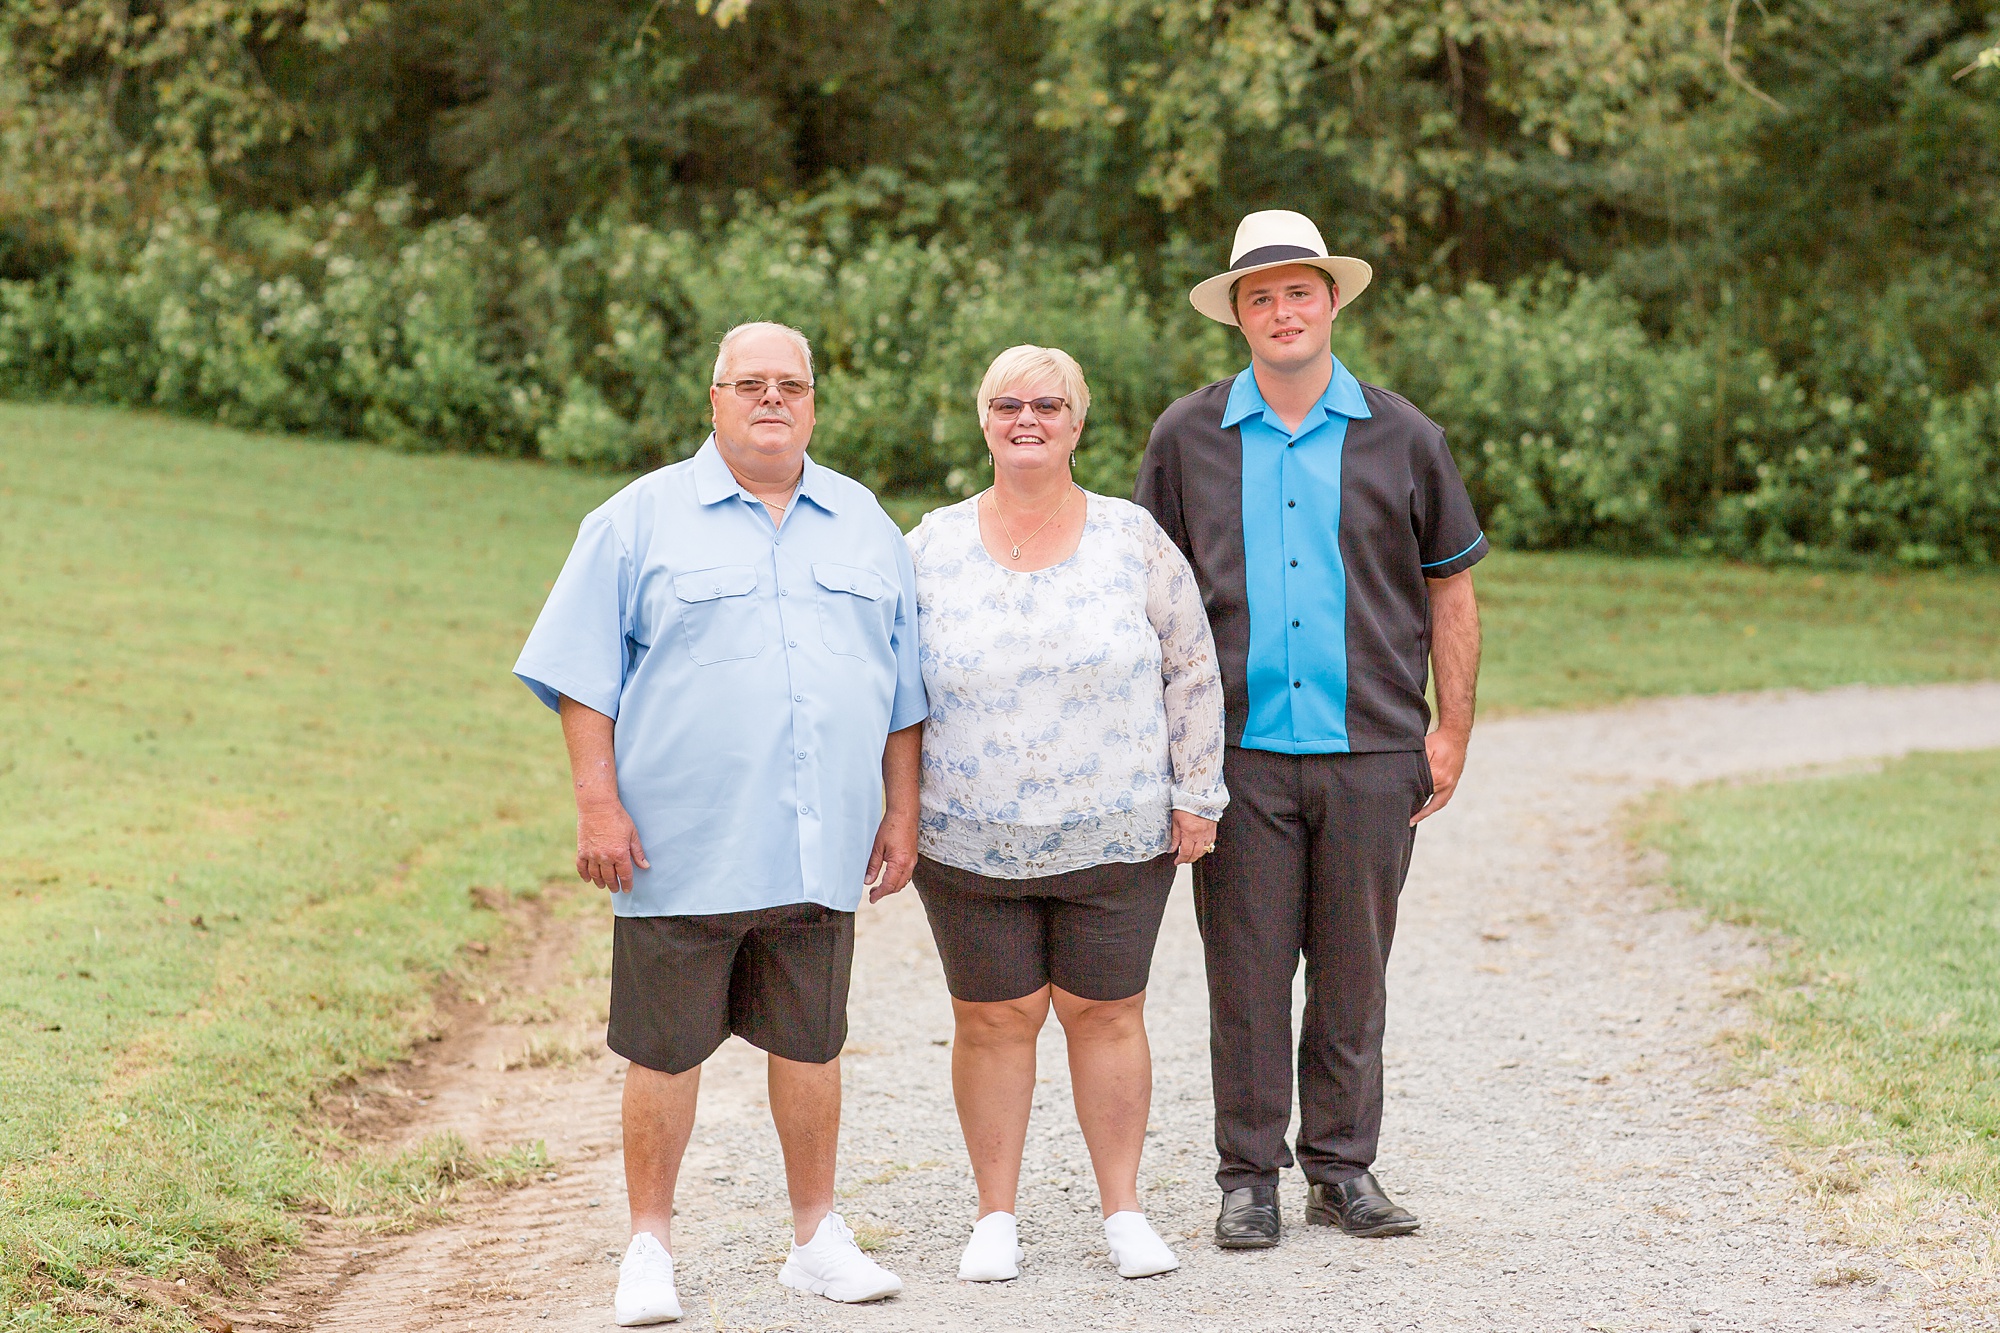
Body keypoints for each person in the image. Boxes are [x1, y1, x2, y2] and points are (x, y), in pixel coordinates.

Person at [513, 322, 927, 1325]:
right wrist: (596, 803)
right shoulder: (636, 519)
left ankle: (816, 1238)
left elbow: (903, 690)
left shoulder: (865, 523)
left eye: (791, 384)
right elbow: (580, 676)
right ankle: (648, 1247)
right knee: (663, 1050)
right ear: (714, 400)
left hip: (818, 844)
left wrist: (902, 810)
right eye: (750, 384)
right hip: (680, 844)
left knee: (811, 1044)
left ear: (813, 402)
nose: (771, 398)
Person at [1135, 211, 1487, 1249]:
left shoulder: (1405, 436)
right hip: (1237, 755)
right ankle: (1248, 1177)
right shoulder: (1186, 436)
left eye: (1299, 291)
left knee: (1352, 971)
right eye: (1262, 296)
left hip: (1372, 747)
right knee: (1244, 976)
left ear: (1331, 301)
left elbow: (1452, 591)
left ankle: (1342, 1168)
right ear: (1237, 315)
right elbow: (1150, 600)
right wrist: (1167, 753)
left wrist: (1452, 729)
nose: (1282, 310)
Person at [907, 344, 1229, 1283]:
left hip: (1116, 832)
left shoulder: (1132, 537)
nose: (1028, 419)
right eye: (1008, 404)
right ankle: (994, 1218)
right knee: (993, 1020)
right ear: (984, 420)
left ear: (1078, 422)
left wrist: (1196, 791)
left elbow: (1191, 663)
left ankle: (1123, 1212)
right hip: (967, 837)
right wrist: (889, 810)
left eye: (1048, 404)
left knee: (1108, 1014)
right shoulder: (928, 546)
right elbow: (889, 690)